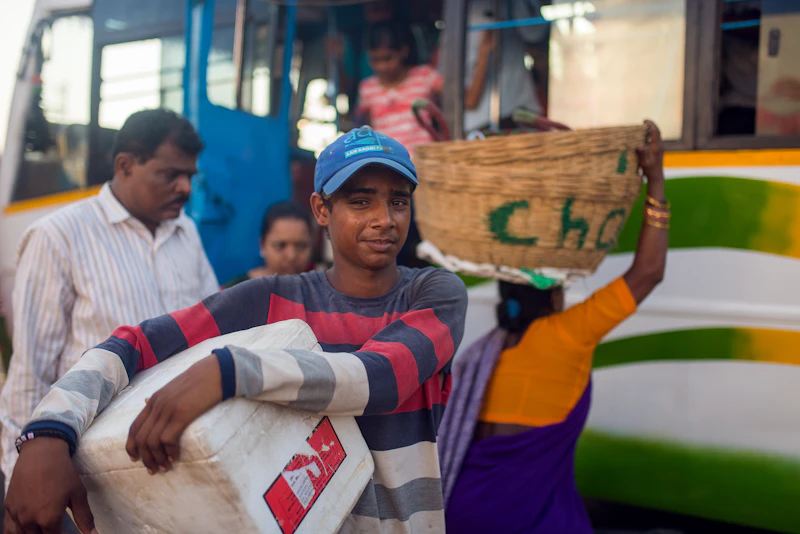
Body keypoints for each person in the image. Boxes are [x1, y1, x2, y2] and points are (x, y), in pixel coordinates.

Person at [3, 126, 468, 534]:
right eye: (360, 200)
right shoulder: (267, 299)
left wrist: (231, 371)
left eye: (399, 201)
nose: (384, 218)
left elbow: (379, 379)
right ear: (321, 209)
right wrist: (48, 433)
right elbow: (133, 346)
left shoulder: (435, 293)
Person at [439, 121, 669, 533]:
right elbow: (649, 272)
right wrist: (655, 180)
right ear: (555, 293)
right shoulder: (569, 333)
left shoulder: (483, 351)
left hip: (463, 512)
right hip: (530, 521)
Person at [0, 109, 220, 497]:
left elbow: (214, 332)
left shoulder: (186, 233)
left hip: (180, 460)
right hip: (93, 472)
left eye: (190, 175)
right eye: (171, 175)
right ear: (125, 165)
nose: (186, 188)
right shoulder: (58, 236)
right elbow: (29, 373)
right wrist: (24, 476)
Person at [355, 21, 443, 154]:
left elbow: (454, 102)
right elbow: (368, 129)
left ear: (404, 51)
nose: (382, 66)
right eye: (375, 60)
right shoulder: (367, 88)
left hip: (425, 160)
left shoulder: (426, 76)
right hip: (388, 164)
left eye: (387, 58)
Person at [463, 0, 549, 133]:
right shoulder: (462, 12)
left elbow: (534, 32)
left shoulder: (511, 5)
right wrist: (484, 53)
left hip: (515, 109)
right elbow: (467, 98)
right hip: (477, 121)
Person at [223, 202, 314, 287]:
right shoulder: (235, 293)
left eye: (301, 246)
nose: (291, 256)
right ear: (262, 245)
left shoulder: (322, 292)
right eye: (280, 245)